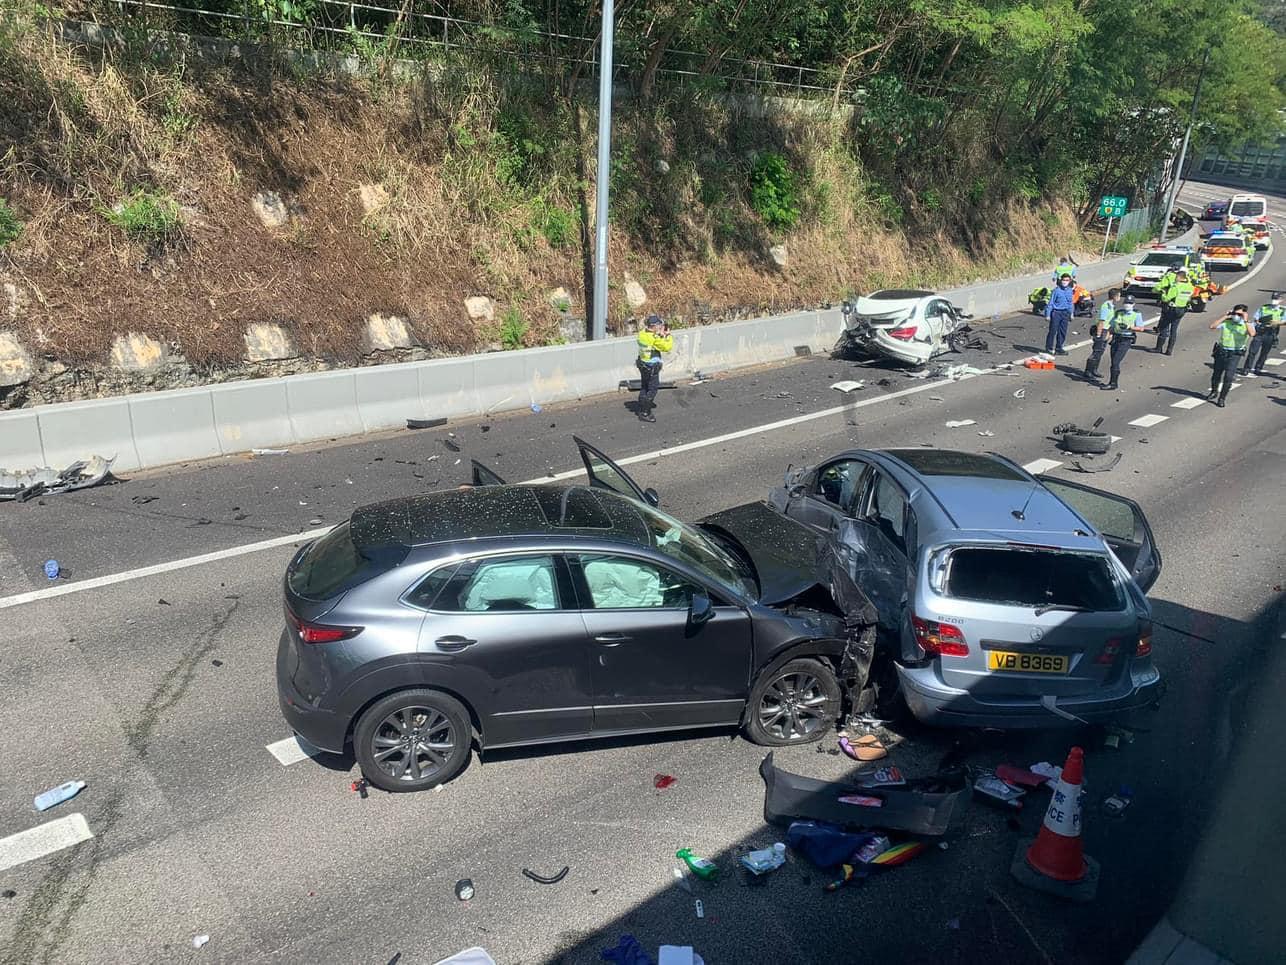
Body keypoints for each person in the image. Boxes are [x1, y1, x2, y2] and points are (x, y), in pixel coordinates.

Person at [1207, 305, 1256, 408]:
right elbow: (1212, 326)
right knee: (1216, 374)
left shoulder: (1247, 324)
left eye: (1239, 314)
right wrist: (1225, 316)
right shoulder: (1227, 322)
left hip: (1235, 353)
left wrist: (1246, 320)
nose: (1236, 316)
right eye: (1235, 313)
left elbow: (1252, 333)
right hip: (1222, 351)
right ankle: (1214, 391)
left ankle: (1222, 398)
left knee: (1228, 377)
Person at [1103, 294, 1147, 391]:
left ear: (1133, 304)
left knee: (1115, 361)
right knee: (1113, 360)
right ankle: (1113, 381)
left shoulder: (1137, 314)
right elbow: (1112, 325)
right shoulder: (1119, 313)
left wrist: (1130, 327)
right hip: (1116, 338)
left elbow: (1141, 328)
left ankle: (1113, 383)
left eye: (1130, 303)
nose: (1127, 305)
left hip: (1126, 339)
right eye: (1126, 303)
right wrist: (1107, 336)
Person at [635, 314, 672, 422]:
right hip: (651, 367)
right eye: (659, 325)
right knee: (653, 389)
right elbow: (667, 347)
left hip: (642, 364)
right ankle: (645, 412)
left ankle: (641, 404)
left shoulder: (642, 334)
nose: (661, 326)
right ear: (654, 326)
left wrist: (659, 335)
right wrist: (667, 336)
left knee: (644, 387)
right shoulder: (654, 339)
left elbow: (651, 341)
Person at [1084, 288, 1123, 383]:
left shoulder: (1112, 306)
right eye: (1119, 295)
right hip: (1102, 330)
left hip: (1107, 330)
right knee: (1096, 351)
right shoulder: (1106, 306)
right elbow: (1102, 321)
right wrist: (1098, 334)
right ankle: (1088, 371)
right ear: (1115, 296)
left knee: (1100, 352)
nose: (1120, 297)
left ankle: (1094, 370)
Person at [1243, 292, 1284, 377]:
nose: (1274, 301)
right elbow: (1256, 318)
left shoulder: (1283, 310)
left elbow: (1284, 321)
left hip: (1271, 333)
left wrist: (1276, 323)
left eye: (1276, 299)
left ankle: (1258, 368)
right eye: (1273, 299)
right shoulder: (1264, 307)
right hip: (1260, 332)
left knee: (1264, 353)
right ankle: (1247, 368)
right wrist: (1258, 321)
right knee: (1252, 351)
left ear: (1281, 300)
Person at [1155, 267, 1195, 355]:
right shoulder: (1190, 287)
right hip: (1182, 310)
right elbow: (1190, 297)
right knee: (1174, 330)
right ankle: (1169, 350)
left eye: (1177, 277)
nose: (1176, 279)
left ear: (1180, 277)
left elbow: (1166, 299)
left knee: (1164, 328)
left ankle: (1158, 348)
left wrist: (1163, 294)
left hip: (1171, 310)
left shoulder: (1176, 287)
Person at [1044, 273, 1075, 355]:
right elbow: (1050, 303)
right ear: (1060, 280)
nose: (1065, 282)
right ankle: (1049, 348)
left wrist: (1071, 313)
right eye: (1063, 280)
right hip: (1056, 313)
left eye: (1067, 280)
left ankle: (1059, 348)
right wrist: (1047, 314)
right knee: (1052, 331)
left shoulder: (1070, 291)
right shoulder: (1056, 291)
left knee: (1062, 331)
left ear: (1070, 281)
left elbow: (1070, 303)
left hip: (1065, 313)